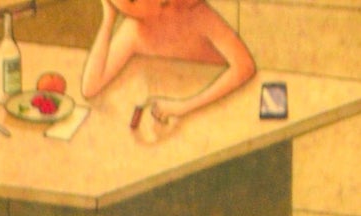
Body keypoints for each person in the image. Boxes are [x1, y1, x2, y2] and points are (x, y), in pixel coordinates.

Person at [80, 0, 256, 124]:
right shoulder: (134, 28)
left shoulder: (196, 14)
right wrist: (108, 20)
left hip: (213, 109)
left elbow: (244, 65)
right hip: (170, 119)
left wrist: (184, 107)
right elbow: (90, 87)